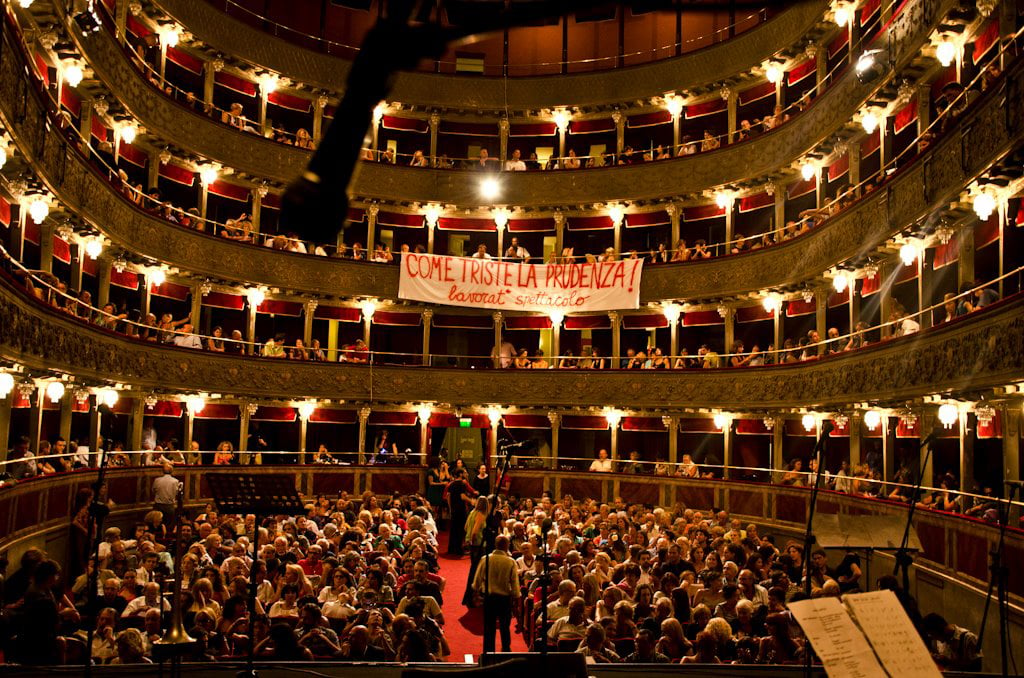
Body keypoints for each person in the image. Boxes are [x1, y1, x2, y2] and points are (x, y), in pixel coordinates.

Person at [472, 534, 520, 653]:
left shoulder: (486, 559)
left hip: (489, 598)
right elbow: (514, 584)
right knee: (504, 627)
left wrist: (475, 594)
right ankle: (505, 649)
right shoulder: (510, 562)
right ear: (507, 546)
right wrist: (516, 598)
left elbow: (477, 579)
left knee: (489, 627)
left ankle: (488, 651)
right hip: (504, 599)